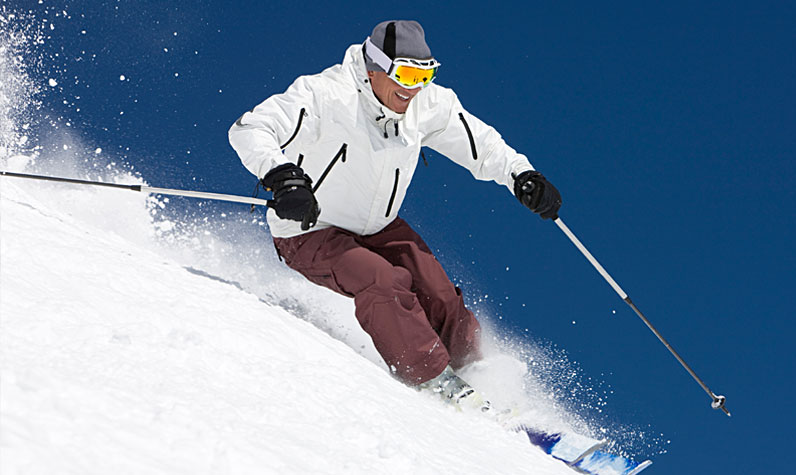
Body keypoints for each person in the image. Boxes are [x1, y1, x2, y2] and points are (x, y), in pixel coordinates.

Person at [228, 20, 560, 409]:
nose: (413, 87)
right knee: (382, 281)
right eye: (405, 73)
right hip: (308, 227)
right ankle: (430, 379)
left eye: (425, 74)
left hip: (378, 227)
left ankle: (475, 374)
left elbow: (481, 145)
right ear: (375, 68)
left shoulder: (427, 104)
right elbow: (250, 128)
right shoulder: (326, 94)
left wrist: (521, 174)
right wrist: (282, 177)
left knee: (439, 293)